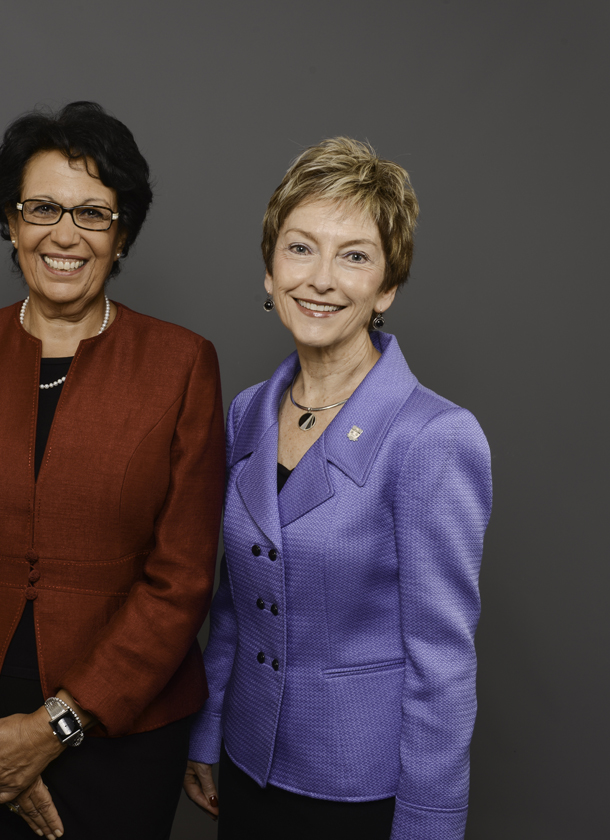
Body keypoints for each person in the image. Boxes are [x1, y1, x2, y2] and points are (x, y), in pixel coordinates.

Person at [0, 101, 225, 840]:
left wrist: (51, 728)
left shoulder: (182, 365)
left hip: (123, 727)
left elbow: (183, 577)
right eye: (43, 208)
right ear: (11, 222)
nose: (65, 234)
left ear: (122, 234)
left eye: (93, 214)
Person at [183, 137, 493, 839]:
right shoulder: (247, 411)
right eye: (300, 249)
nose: (320, 278)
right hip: (247, 763)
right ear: (269, 271)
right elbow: (233, 604)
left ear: (387, 286)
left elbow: (442, 663)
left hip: (359, 794)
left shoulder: (434, 437)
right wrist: (208, 734)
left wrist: (428, 827)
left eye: (354, 255)